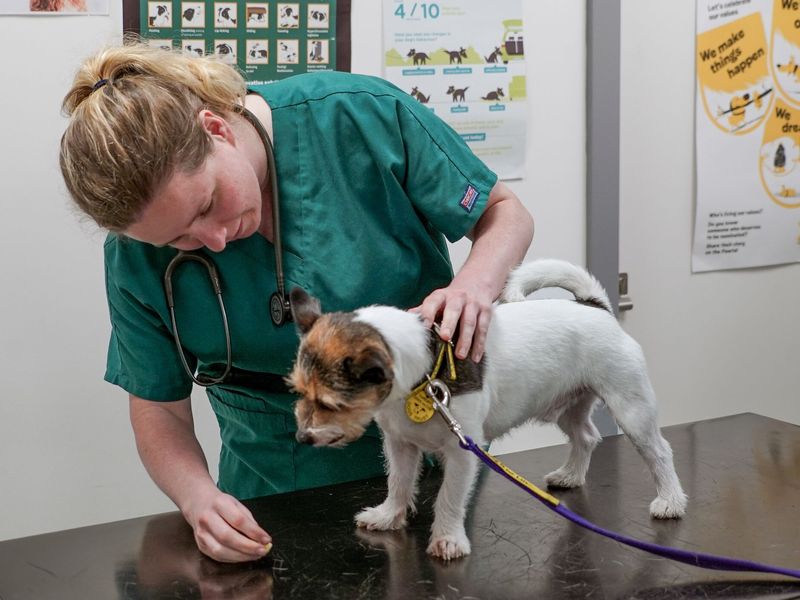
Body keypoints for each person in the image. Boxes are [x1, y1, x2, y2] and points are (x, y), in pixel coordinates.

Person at [59, 40, 534, 563]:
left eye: (209, 204)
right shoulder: (133, 255)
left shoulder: (359, 116)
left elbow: (504, 212)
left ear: (215, 129)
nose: (214, 240)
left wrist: (475, 284)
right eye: (180, 241)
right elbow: (159, 410)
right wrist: (197, 500)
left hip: (432, 455)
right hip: (270, 491)